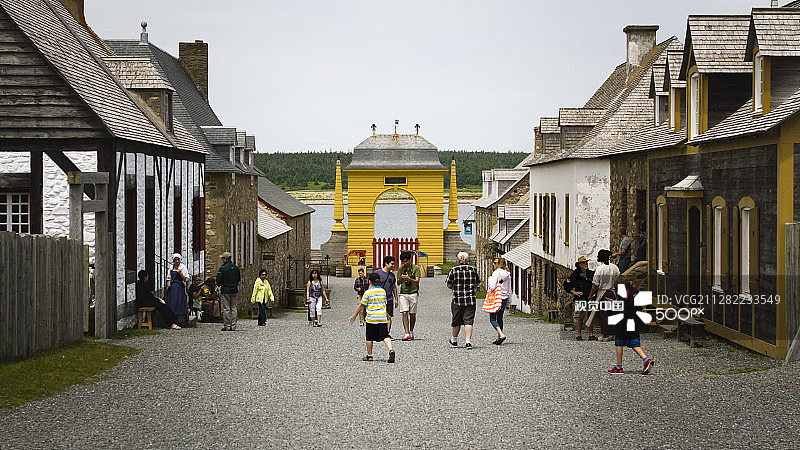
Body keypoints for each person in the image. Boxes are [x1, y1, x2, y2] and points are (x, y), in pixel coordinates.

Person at [608, 275, 654, 375]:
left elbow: (622, 308)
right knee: (634, 343)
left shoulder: (623, 294)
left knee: (619, 343)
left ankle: (619, 367)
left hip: (624, 322)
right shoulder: (635, 291)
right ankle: (646, 359)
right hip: (636, 321)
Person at [349, 272, 395, 363]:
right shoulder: (383, 291)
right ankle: (391, 350)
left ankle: (370, 355)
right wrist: (387, 315)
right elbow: (384, 304)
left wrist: (353, 316)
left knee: (369, 337)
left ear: (370, 281)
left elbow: (361, 305)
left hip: (371, 318)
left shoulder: (367, 293)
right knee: (385, 335)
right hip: (382, 317)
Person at [446, 251, 480, 349]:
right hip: (470, 299)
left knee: (456, 320)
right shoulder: (473, 270)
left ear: (458, 260)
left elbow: (449, 285)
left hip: (457, 299)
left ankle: (454, 339)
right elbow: (477, 283)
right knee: (468, 321)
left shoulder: (454, 270)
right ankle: (468, 341)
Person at [588, 249, 620, 342]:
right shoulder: (615, 268)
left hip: (603, 293)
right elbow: (619, 280)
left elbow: (595, 284)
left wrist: (590, 295)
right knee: (613, 313)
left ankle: (606, 335)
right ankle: (614, 333)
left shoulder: (600, 269)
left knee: (604, 314)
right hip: (613, 293)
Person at [563, 256, 596, 341]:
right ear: (580, 265)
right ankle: (579, 334)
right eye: (584, 263)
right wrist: (574, 292)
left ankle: (591, 334)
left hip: (590, 297)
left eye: (586, 263)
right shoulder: (575, 275)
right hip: (580, 298)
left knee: (590, 316)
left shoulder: (591, 274)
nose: (586, 264)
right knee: (579, 317)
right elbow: (566, 284)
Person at [397, 251, 421, 341]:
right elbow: (398, 283)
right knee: (404, 312)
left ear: (410, 260)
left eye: (406, 261)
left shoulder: (416, 268)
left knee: (412, 314)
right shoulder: (401, 269)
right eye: (403, 261)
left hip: (413, 292)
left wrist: (409, 278)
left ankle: (411, 331)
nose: (405, 263)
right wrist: (401, 279)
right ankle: (406, 333)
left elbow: (417, 281)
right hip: (403, 293)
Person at [487, 257, 510, 345]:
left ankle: (501, 334)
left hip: (496, 298)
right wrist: (509, 302)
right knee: (500, 317)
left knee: (492, 318)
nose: (493, 264)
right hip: (504, 298)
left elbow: (492, 287)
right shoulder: (507, 274)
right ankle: (498, 337)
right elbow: (509, 289)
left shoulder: (496, 273)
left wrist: (489, 279)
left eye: (495, 262)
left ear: (499, 264)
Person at [216, 251, 241, 331]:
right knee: (234, 308)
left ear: (225, 259)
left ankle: (227, 325)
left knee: (226, 308)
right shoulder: (236, 268)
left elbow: (218, 281)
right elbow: (238, 279)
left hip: (226, 290)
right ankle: (233, 325)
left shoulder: (222, 268)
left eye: (223, 258)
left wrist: (221, 284)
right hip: (234, 290)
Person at [375, 256, 398, 337]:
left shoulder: (392, 275)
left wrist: (396, 299)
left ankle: (386, 334)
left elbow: (394, 287)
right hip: (378, 299)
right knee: (379, 316)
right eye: (391, 264)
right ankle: (378, 333)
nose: (393, 265)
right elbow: (371, 285)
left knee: (389, 317)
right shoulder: (377, 273)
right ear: (386, 263)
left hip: (389, 298)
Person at [165, 253, 189, 324]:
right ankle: (171, 318)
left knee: (179, 301)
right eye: (175, 260)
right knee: (171, 301)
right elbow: (169, 277)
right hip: (172, 287)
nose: (177, 261)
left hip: (179, 286)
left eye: (178, 259)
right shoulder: (171, 267)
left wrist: (181, 273)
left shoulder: (183, 267)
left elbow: (186, 279)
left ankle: (180, 319)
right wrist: (169, 283)